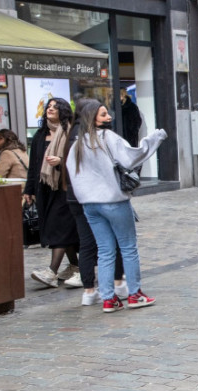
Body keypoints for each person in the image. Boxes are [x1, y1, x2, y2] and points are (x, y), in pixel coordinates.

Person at [66, 99, 167, 313]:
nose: (108, 117)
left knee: (104, 250)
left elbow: (72, 174)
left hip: (90, 205)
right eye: (103, 114)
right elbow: (132, 156)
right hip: (113, 201)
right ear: (92, 117)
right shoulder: (107, 137)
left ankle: (108, 299)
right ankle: (134, 294)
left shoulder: (77, 144)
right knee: (128, 247)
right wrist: (156, 137)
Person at [63, 100, 128, 303]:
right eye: (102, 113)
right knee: (112, 242)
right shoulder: (93, 137)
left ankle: (89, 291)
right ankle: (119, 284)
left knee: (87, 244)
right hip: (98, 196)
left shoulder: (71, 136)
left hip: (76, 196)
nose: (107, 117)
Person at [23, 98, 80, 288]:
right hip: (45, 188)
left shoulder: (71, 133)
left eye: (55, 107)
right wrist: (29, 190)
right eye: (48, 106)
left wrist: (61, 161)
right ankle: (75, 267)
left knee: (59, 225)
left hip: (65, 187)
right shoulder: (40, 135)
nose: (50, 109)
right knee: (62, 228)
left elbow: (78, 159)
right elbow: (34, 166)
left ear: (63, 111)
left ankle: (52, 272)